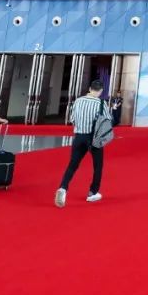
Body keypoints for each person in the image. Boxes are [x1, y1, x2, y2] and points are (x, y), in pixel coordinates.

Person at [55, 80, 111, 208]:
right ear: (101, 91)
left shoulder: (78, 101)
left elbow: (72, 119)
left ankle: (63, 187)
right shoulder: (101, 103)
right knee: (97, 166)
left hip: (79, 137)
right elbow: (107, 121)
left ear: (90, 88)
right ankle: (93, 192)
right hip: (94, 138)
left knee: (72, 165)